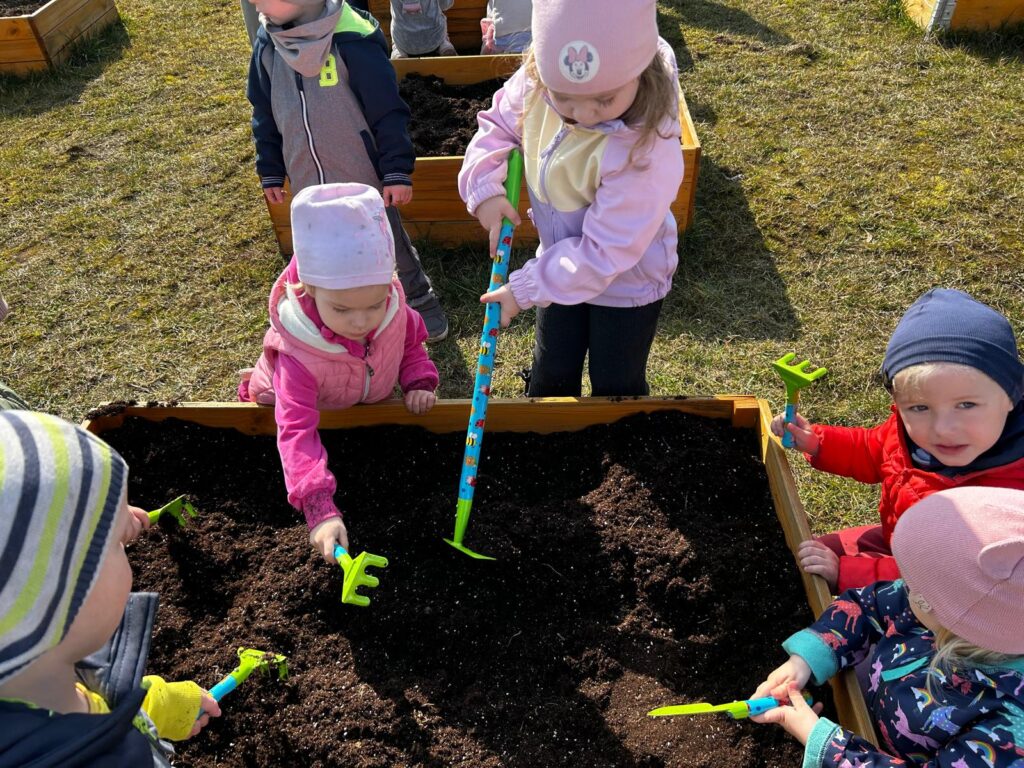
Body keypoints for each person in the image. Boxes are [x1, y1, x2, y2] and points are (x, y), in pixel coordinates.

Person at [458, 0, 684, 397]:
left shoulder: (646, 146)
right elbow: (497, 126)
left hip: (626, 283)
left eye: (604, 100)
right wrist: (484, 189)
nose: (583, 114)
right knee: (551, 372)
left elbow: (604, 252)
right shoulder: (538, 81)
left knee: (616, 383)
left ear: (639, 72)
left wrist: (526, 288)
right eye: (564, 99)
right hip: (557, 265)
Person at [0, 411, 221, 767]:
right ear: (65, 599)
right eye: (118, 540)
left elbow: (92, 702)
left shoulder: (36, 676)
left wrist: (156, 705)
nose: (137, 521)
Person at [750, 486, 1024, 768]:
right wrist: (807, 659)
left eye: (914, 587)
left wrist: (825, 745)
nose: (904, 586)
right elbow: (867, 606)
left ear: (959, 618)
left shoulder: (1010, 733)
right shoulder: (945, 605)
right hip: (880, 690)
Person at [772, 288, 1024, 593]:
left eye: (966, 405)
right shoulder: (905, 432)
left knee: (834, 579)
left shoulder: (1008, 504)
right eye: (920, 408)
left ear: (1011, 397)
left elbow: (942, 576)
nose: (943, 429)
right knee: (814, 551)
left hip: (951, 591)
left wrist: (846, 573)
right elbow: (872, 449)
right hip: (899, 538)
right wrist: (817, 442)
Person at [238, 184, 439, 563]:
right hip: (295, 399)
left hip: (361, 396)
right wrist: (319, 508)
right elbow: (296, 431)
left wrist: (418, 379)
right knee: (267, 404)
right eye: (343, 310)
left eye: (374, 305)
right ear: (310, 289)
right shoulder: (298, 355)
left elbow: (411, 343)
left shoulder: (394, 308)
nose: (361, 322)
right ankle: (252, 383)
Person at [247, 0, 449, 341]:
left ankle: (418, 298)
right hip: (307, 181)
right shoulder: (267, 44)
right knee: (318, 249)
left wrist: (396, 169)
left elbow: (388, 111)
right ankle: (327, 311)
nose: (253, 2)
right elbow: (263, 111)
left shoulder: (353, 39)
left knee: (387, 241)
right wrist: (270, 167)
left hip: (363, 181)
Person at [387, 0, 457, 58]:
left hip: (403, 41)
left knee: (395, 20)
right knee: (439, 16)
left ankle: (398, 50)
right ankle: (444, 44)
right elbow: (445, 5)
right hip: (434, 39)